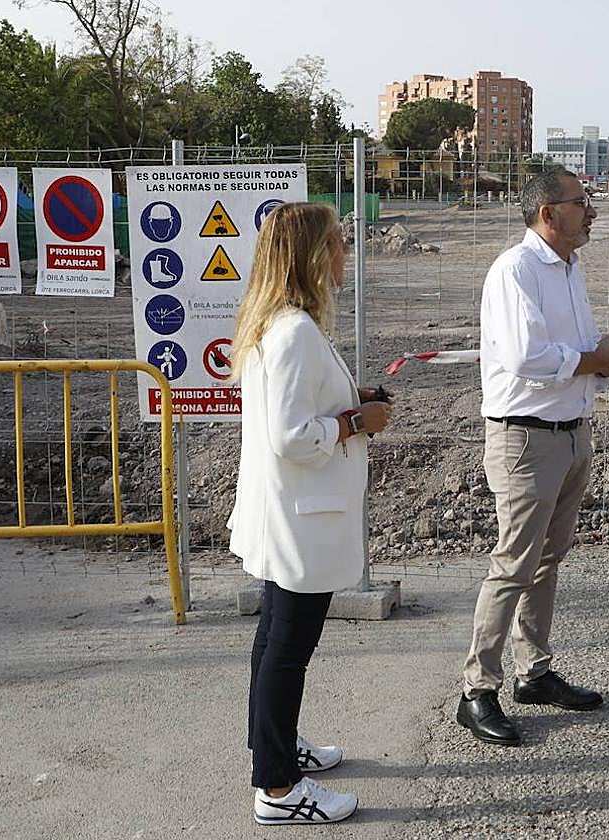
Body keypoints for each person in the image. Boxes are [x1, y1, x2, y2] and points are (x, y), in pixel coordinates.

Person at [227, 202, 393, 823]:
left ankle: (275, 744)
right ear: (312, 256)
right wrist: (355, 421)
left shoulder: (283, 321)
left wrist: (355, 399)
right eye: (339, 243)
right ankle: (278, 789)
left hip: (290, 513)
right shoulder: (293, 330)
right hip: (300, 516)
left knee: (274, 639)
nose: (346, 252)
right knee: (286, 651)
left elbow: (294, 410)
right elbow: (291, 435)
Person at [456, 170, 609, 746]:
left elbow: (572, 351)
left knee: (546, 559)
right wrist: (596, 360)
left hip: (569, 432)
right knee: (514, 563)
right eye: (582, 203)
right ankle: (477, 689)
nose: (592, 212)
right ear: (547, 214)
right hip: (525, 440)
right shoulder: (517, 270)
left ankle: (533, 673)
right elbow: (525, 357)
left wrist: (600, 359)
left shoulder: (569, 269)